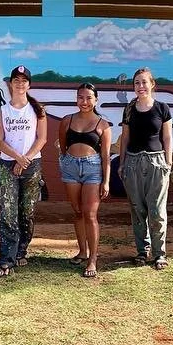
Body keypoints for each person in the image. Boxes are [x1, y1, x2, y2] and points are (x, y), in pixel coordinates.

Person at [0, 66, 47, 277]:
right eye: (16, 80)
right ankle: (6, 258)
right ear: (10, 84)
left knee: (27, 212)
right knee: (8, 212)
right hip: (8, 166)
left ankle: (21, 251)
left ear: (29, 84)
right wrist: (17, 158)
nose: (20, 84)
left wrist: (24, 161)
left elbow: (41, 139)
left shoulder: (37, 110)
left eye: (24, 80)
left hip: (31, 167)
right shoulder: (2, 111)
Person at [117, 67, 173, 270]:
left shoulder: (162, 108)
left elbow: (167, 137)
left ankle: (159, 254)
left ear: (152, 84)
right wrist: (122, 163)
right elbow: (125, 138)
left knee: (157, 211)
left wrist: (168, 162)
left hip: (157, 163)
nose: (140, 86)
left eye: (144, 82)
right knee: (137, 209)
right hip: (132, 163)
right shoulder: (129, 109)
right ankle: (142, 251)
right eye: (136, 83)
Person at [56, 83, 111, 278]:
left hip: (92, 169)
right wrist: (67, 160)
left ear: (96, 100)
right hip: (70, 167)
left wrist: (106, 181)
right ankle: (82, 251)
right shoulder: (66, 120)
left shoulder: (103, 125)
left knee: (90, 214)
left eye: (88, 98)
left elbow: (106, 157)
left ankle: (93, 259)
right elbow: (63, 145)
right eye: (81, 97)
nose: (84, 102)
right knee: (78, 212)